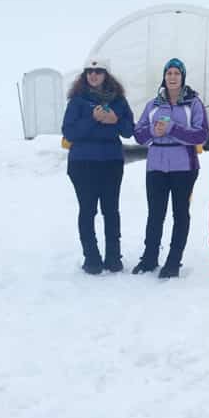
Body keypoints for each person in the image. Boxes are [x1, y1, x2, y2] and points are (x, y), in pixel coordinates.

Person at [132, 58, 209, 279]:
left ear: (182, 77)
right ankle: (149, 258)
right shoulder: (153, 105)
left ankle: (173, 261)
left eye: (177, 73)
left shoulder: (193, 103)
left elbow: (201, 134)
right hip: (156, 165)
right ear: (164, 77)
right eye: (169, 73)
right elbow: (138, 134)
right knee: (155, 214)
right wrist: (153, 133)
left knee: (180, 213)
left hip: (184, 166)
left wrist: (172, 129)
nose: (172, 77)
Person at [61, 57, 135, 274]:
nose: (93, 75)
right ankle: (91, 258)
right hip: (82, 164)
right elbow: (69, 132)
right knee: (87, 210)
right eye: (89, 72)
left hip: (110, 163)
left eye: (98, 71)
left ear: (106, 75)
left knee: (111, 211)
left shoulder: (119, 101)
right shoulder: (77, 101)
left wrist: (115, 121)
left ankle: (113, 257)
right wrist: (92, 119)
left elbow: (129, 130)